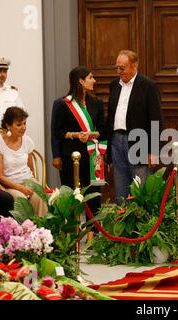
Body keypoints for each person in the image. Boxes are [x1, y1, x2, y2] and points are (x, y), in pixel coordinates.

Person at [106, 50, 164, 205]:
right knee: (120, 189)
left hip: (139, 143)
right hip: (117, 141)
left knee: (141, 190)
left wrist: (153, 151)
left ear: (134, 65)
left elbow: (156, 119)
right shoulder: (114, 85)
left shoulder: (148, 86)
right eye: (117, 68)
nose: (119, 71)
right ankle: (123, 225)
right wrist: (108, 153)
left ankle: (144, 228)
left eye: (122, 68)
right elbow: (110, 117)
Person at [52, 66, 106, 219]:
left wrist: (91, 134)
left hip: (93, 156)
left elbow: (103, 129)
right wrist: (75, 135)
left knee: (94, 196)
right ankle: (71, 236)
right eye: (90, 78)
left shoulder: (97, 102)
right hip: (72, 156)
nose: (94, 80)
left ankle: (92, 235)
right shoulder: (64, 104)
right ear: (81, 81)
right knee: (71, 195)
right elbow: (58, 131)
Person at [0, 107, 48, 217]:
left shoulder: (27, 140)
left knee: (39, 196)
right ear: (8, 125)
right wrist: (20, 188)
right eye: (19, 125)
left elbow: (31, 169)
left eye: (25, 124)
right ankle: (24, 232)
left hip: (27, 180)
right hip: (8, 185)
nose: (24, 128)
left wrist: (31, 183)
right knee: (21, 200)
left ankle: (42, 231)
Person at [51, 96, 65, 184]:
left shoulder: (95, 102)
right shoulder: (60, 102)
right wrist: (56, 156)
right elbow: (55, 131)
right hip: (67, 154)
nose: (94, 80)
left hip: (90, 154)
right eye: (89, 80)